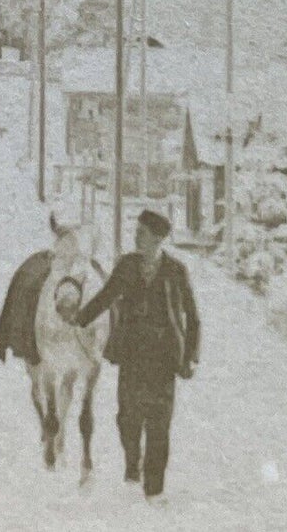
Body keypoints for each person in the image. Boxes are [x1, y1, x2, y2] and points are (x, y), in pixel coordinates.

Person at [66, 208, 199, 502]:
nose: (136, 237)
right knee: (127, 418)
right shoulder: (126, 266)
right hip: (132, 356)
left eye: (142, 233)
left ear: (156, 239)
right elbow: (106, 296)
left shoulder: (175, 271)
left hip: (164, 358)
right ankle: (132, 460)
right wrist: (81, 318)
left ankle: (154, 488)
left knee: (159, 423)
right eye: (137, 232)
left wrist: (190, 355)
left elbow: (192, 316)